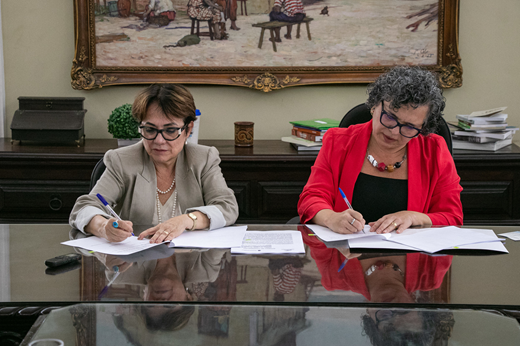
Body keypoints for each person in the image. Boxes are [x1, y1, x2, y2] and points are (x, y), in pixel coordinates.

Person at [298, 66, 463, 234]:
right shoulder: (337, 142)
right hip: (345, 254)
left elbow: (453, 217)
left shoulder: (435, 150)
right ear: (374, 106)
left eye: (409, 127)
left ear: (423, 128)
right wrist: (331, 218)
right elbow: (311, 199)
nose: (394, 131)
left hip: (410, 257)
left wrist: (415, 218)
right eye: (390, 117)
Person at [69, 84, 239, 243]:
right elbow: (84, 208)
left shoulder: (203, 158)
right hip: (137, 263)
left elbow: (227, 207)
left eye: (170, 130)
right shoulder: (122, 161)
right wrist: (103, 227)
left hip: (192, 262)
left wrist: (186, 220)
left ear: (188, 129)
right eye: (150, 129)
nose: (159, 140)